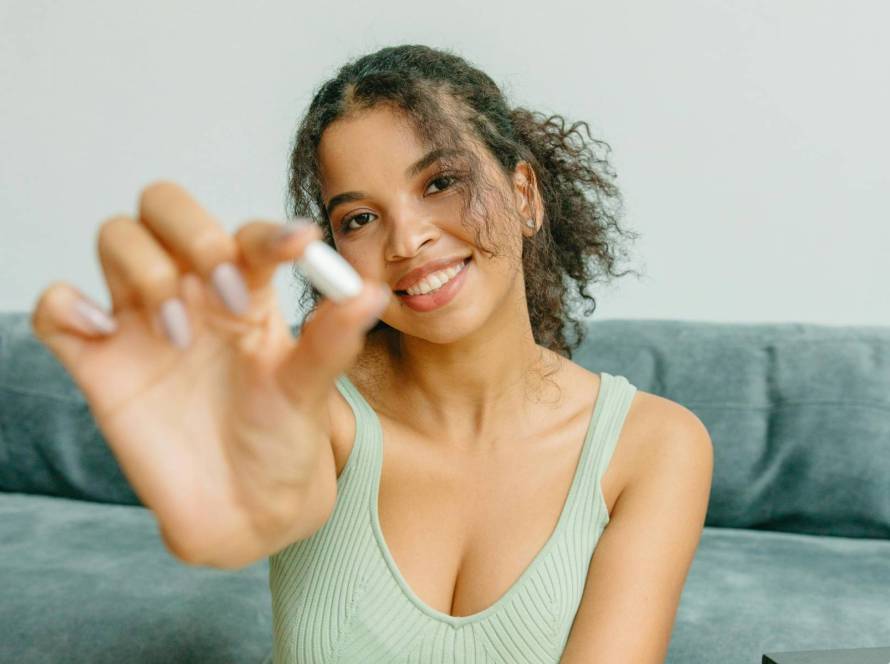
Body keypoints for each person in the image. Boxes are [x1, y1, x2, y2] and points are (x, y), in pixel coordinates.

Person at [30, 43, 713, 664]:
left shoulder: (655, 446)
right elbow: (276, 489)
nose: (406, 241)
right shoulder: (317, 410)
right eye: (359, 219)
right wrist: (235, 492)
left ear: (524, 195)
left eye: (440, 182)